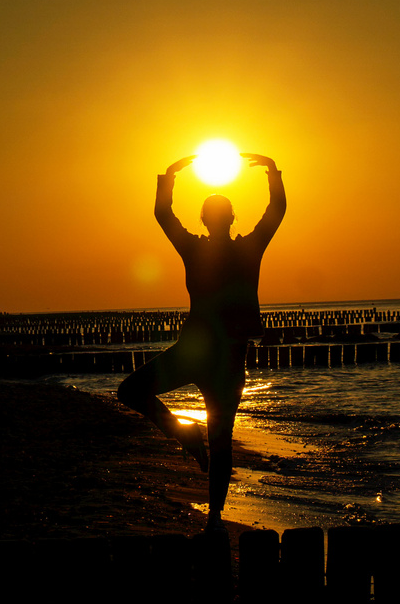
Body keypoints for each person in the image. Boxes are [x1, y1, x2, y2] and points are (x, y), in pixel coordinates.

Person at [118, 151, 285, 523]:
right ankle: (189, 445)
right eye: (215, 213)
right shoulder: (215, 249)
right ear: (217, 219)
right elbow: (276, 212)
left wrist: (170, 177)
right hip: (211, 355)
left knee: (220, 439)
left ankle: (213, 514)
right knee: (134, 393)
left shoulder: (242, 249)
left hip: (216, 356)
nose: (217, 219)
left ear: (219, 219)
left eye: (218, 213)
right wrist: (168, 175)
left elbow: (275, 211)